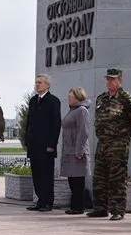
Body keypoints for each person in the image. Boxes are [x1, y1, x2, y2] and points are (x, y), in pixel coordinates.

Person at [87, 68, 131, 221]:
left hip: (118, 145)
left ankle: (118, 210)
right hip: (102, 144)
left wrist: (123, 136)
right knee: (99, 176)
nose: (109, 82)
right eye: (107, 79)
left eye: (112, 79)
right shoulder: (101, 98)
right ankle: (100, 208)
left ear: (120, 80)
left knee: (117, 178)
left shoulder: (126, 98)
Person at [25, 74, 61, 212]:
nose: (37, 84)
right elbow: (29, 122)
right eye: (36, 82)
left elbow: (56, 124)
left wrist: (52, 144)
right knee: (37, 174)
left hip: (46, 146)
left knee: (46, 175)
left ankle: (48, 202)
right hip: (34, 145)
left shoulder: (53, 101)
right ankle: (40, 200)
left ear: (47, 85)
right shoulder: (33, 100)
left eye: (40, 82)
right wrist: (27, 140)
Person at [60, 87, 91, 215]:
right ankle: (75, 206)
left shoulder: (81, 111)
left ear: (78, 97)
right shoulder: (72, 110)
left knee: (78, 181)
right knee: (72, 180)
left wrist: (79, 151)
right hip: (69, 150)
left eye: (71, 96)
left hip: (77, 152)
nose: (68, 98)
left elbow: (83, 132)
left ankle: (78, 207)